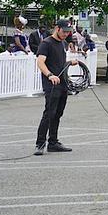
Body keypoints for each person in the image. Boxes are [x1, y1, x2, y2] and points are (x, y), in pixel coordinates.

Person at [33, 19, 76, 155]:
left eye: (68, 32)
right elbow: (40, 62)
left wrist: (70, 62)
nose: (66, 34)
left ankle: (53, 142)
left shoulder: (62, 43)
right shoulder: (46, 43)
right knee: (49, 113)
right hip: (51, 84)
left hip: (62, 83)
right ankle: (40, 144)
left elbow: (58, 62)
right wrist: (50, 75)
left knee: (58, 113)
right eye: (64, 32)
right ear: (57, 28)